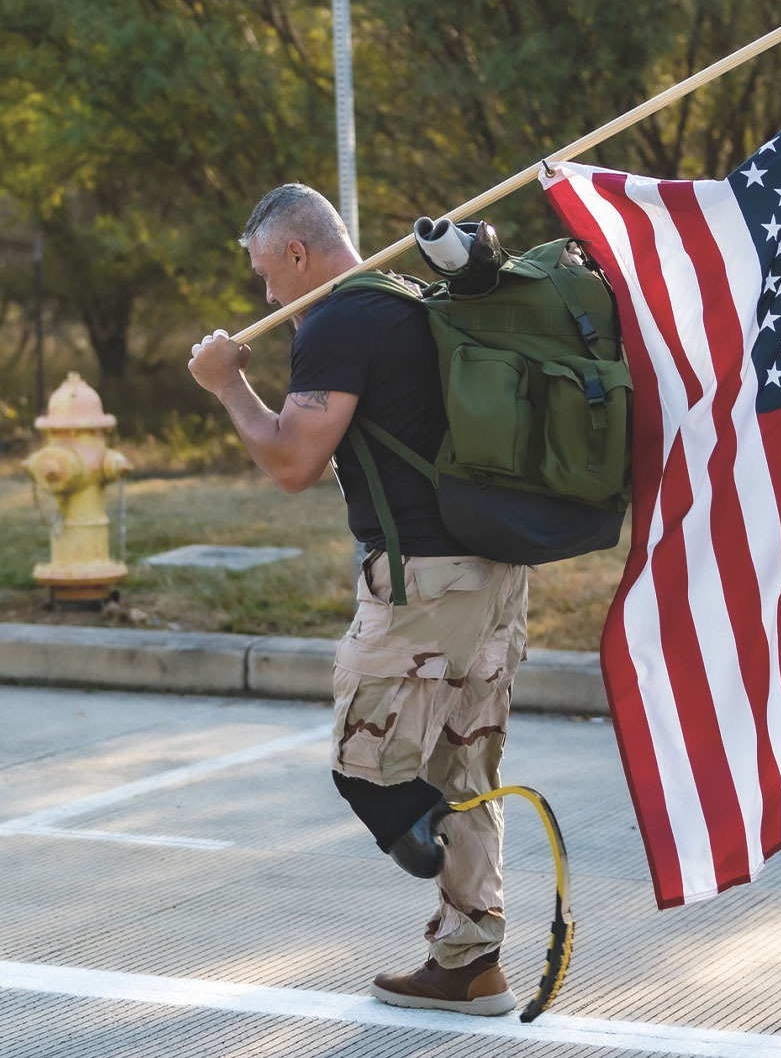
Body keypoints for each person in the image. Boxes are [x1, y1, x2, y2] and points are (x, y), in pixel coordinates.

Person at [187, 183, 528, 1017]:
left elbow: (293, 463)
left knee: (365, 767)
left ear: (298, 255)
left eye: (270, 274)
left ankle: (424, 847)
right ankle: (468, 962)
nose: (269, 295)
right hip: (497, 570)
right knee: (464, 767)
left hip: (423, 583)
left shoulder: (340, 321)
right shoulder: (411, 299)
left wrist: (227, 383)